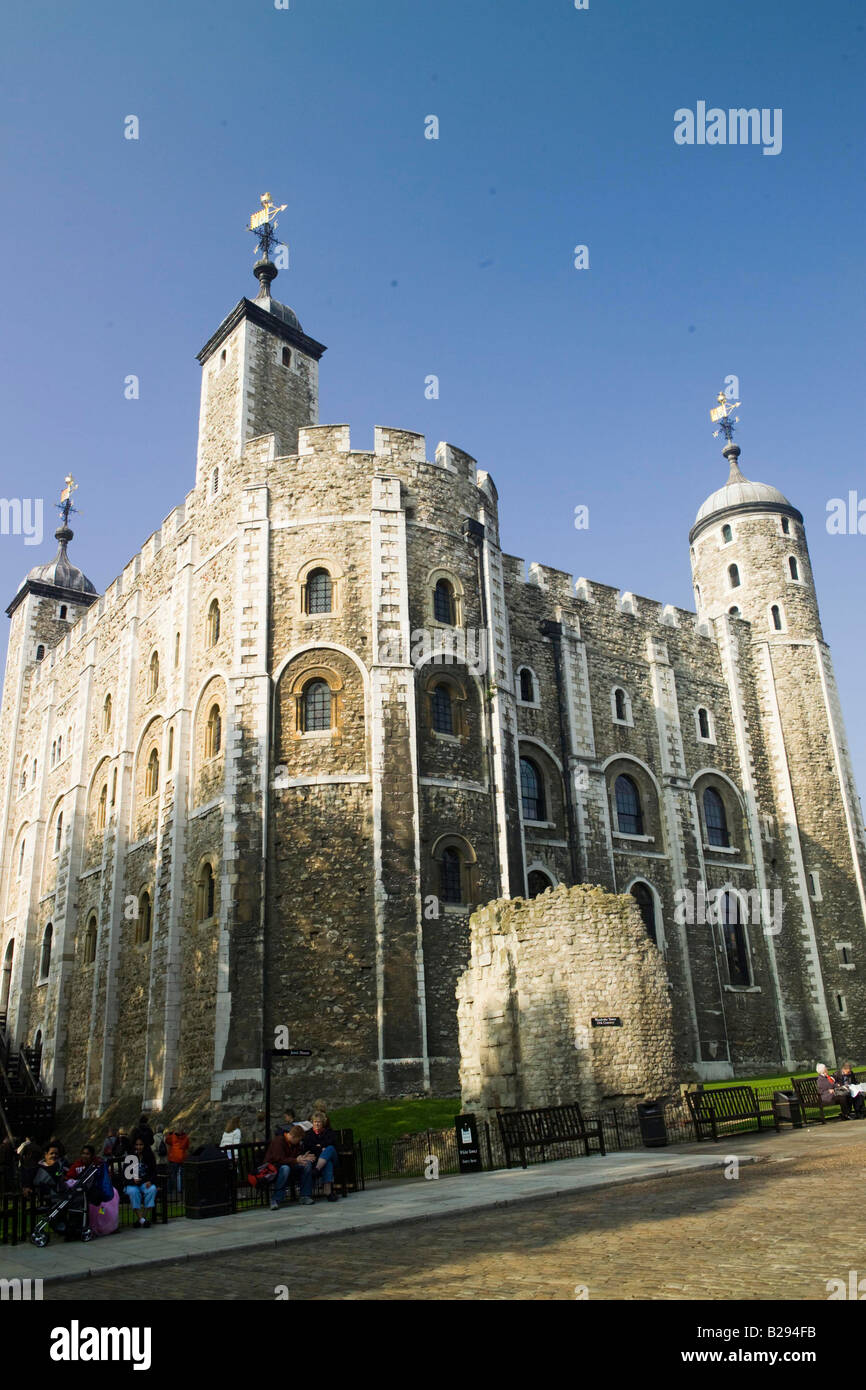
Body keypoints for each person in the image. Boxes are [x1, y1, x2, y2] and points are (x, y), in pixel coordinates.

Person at [297, 1111, 340, 1205]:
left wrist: (319, 1147)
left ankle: (317, 1169)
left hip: (332, 1158)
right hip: (317, 1160)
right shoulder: (308, 1134)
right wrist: (321, 1147)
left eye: (319, 1122)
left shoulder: (328, 1132)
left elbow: (333, 1144)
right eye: (315, 1122)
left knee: (330, 1149)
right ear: (312, 1123)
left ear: (323, 1123)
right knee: (327, 1163)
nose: (317, 1124)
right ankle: (328, 1192)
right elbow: (308, 1148)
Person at [264, 1126, 304, 1210]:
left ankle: (305, 1195)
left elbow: (293, 1157)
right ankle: (275, 1199)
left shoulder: (293, 1144)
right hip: (273, 1169)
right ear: (293, 1137)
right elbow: (279, 1159)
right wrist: (295, 1160)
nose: (299, 1142)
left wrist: (302, 1158)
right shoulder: (279, 1141)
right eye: (298, 1140)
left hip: (288, 1165)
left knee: (306, 1165)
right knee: (285, 1169)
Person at [124, 1137, 158, 1227]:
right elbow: (125, 1174)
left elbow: (154, 1171)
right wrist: (132, 1179)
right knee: (133, 1192)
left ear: (144, 1145)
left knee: (152, 1189)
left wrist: (150, 1181)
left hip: (144, 1182)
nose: (138, 1147)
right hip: (132, 1184)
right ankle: (143, 1220)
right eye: (137, 1145)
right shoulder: (130, 1157)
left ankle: (142, 1218)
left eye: (141, 1145)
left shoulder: (149, 1156)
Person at [165, 1125, 190, 1192]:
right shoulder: (186, 1138)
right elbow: (187, 1146)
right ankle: (181, 1188)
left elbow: (167, 1140)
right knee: (182, 1174)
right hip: (182, 1158)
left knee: (173, 1174)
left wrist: (170, 1133)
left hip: (174, 1158)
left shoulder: (173, 1137)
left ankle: (174, 1189)